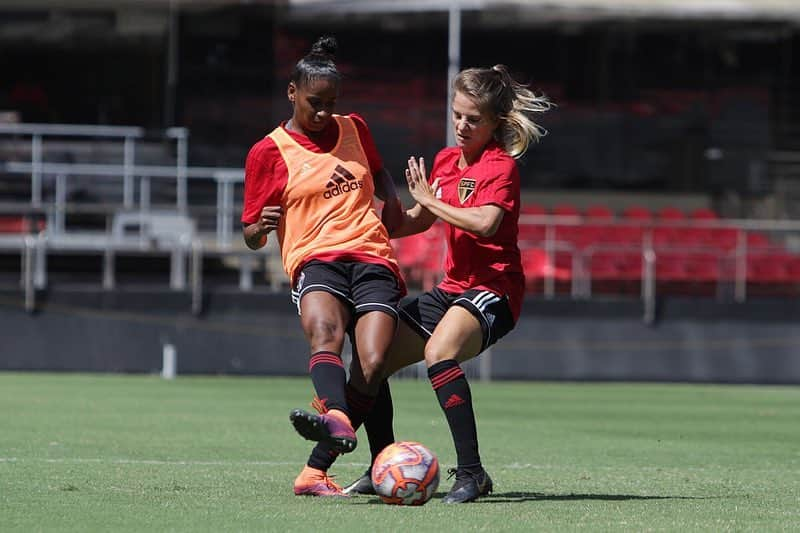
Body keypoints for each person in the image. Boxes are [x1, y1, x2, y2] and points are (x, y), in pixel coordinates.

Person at [339, 64, 552, 503]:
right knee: (371, 356)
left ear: (495, 122)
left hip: (495, 291)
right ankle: (383, 463)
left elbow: (487, 224)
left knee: (439, 352)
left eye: (473, 118)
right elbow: (418, 220)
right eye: (457, 114)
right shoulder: (444, 161)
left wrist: (432, 201)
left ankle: (471, 474)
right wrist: (370, 216)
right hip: (452, 289)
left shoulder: (501, 167)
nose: (461, 125)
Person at [240, 35, 406, 498]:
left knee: (372, 364)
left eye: (331, 103)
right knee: (326, 336)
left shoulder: (354, 128)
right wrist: (260, 227)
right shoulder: (268, 153)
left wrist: (390, 199)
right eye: (315, 103)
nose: (324, 112)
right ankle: (338, 423)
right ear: (291, 93)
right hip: (315, 260)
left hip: (372, 256)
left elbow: (378, 169)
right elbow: (250, 235)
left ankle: (322, 468)